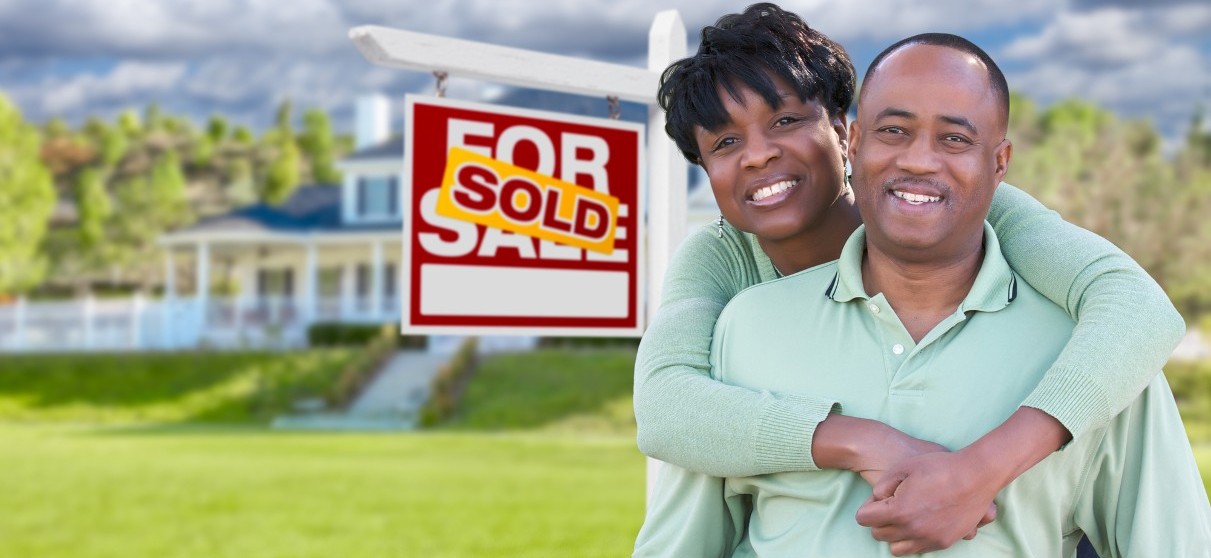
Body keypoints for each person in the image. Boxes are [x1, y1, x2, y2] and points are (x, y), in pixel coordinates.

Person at [633, 4, 1186, 552]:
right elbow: (665, 407)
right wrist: (862, 441)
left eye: (785, 120)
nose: (759, 155)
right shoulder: (730, 290)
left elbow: (1136, 307)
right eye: (725, 143)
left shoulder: (980, 210)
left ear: (842, 133)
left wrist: (980, 470)